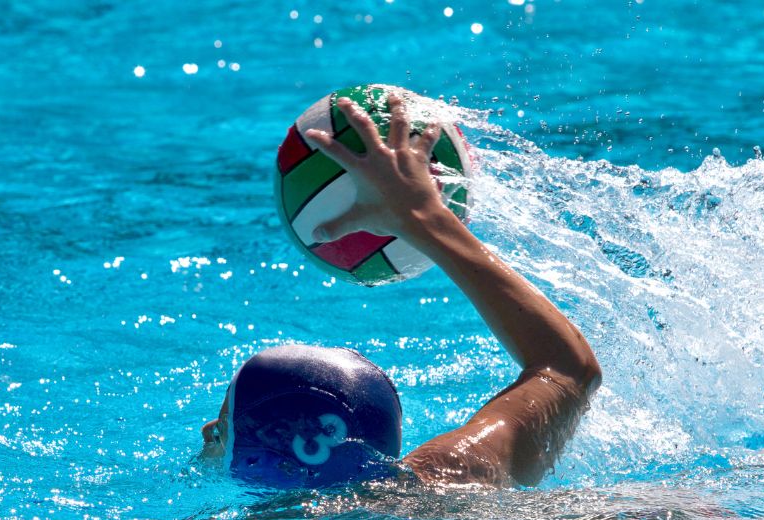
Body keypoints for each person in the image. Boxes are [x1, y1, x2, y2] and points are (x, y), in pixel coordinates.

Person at [200, 94, 601, 489]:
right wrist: (425, 220)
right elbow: (566, 369)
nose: (206, 431)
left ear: (261, 456)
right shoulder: (444, 476)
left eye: (222, 431)